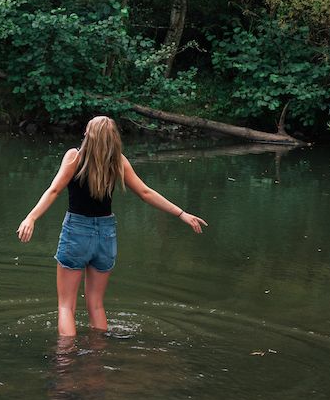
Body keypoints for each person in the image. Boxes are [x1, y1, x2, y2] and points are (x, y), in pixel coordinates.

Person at [16, 115, 207, 337]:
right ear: (113, 139)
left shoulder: (74, 157)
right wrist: (181, 213)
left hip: (77, 232)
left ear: (88, 134)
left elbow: (54, 190)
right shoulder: (118, 162)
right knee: (96, 304)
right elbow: (145, 193)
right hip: (106, 235)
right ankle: (98, 355)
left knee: (66, 306)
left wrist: (31, 217)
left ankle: (66, 362)